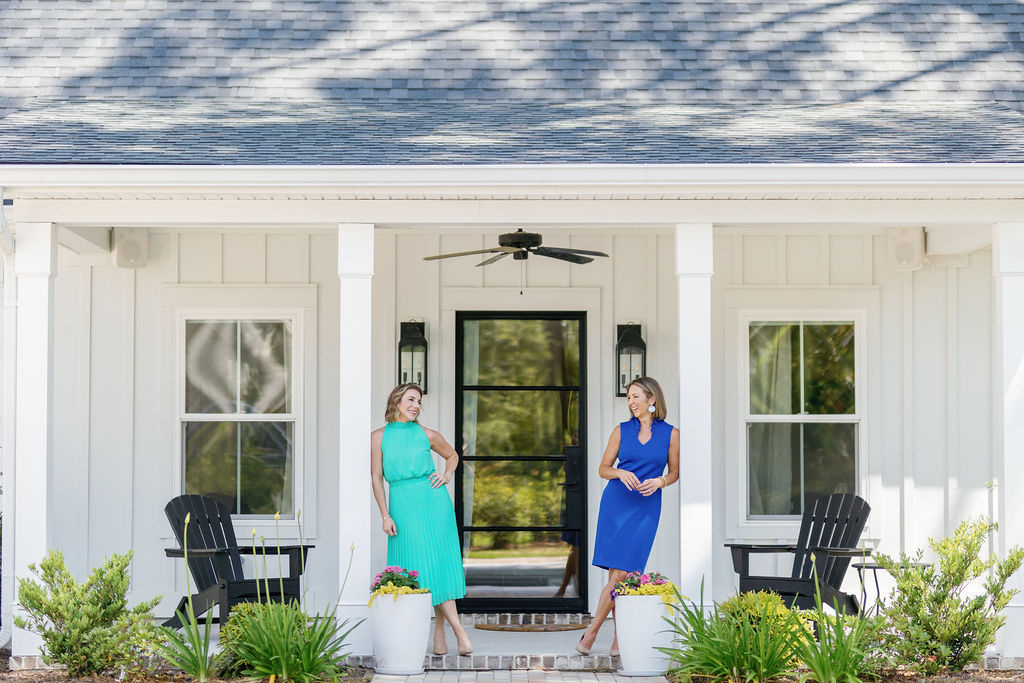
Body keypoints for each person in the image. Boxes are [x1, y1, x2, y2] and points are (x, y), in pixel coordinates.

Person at [575, 376, 679, 656]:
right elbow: (603, 469)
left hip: (647, 506)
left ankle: (593, 632)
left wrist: (661, 482)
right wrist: (620, 472)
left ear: (652, 399)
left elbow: (674, 473)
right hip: (617, 503)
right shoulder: (621, 430)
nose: (631, 402)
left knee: (625, 573)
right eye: (629, 397)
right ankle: (614, 640)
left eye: (636, 396)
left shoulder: (671, 433)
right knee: (618, 573)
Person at [370, 383, 473, 656]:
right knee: (416, 568)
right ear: (397, 401)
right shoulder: (378, 436)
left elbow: (452, 455)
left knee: (436, 566)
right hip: (402, 504)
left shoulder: (427, 434)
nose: (416, 405)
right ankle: (442, 629)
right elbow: (376, 478)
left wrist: (446, 475)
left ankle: (459, 633)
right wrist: (384, 514)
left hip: (433, 502)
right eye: (411, 399)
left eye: (419, 401)